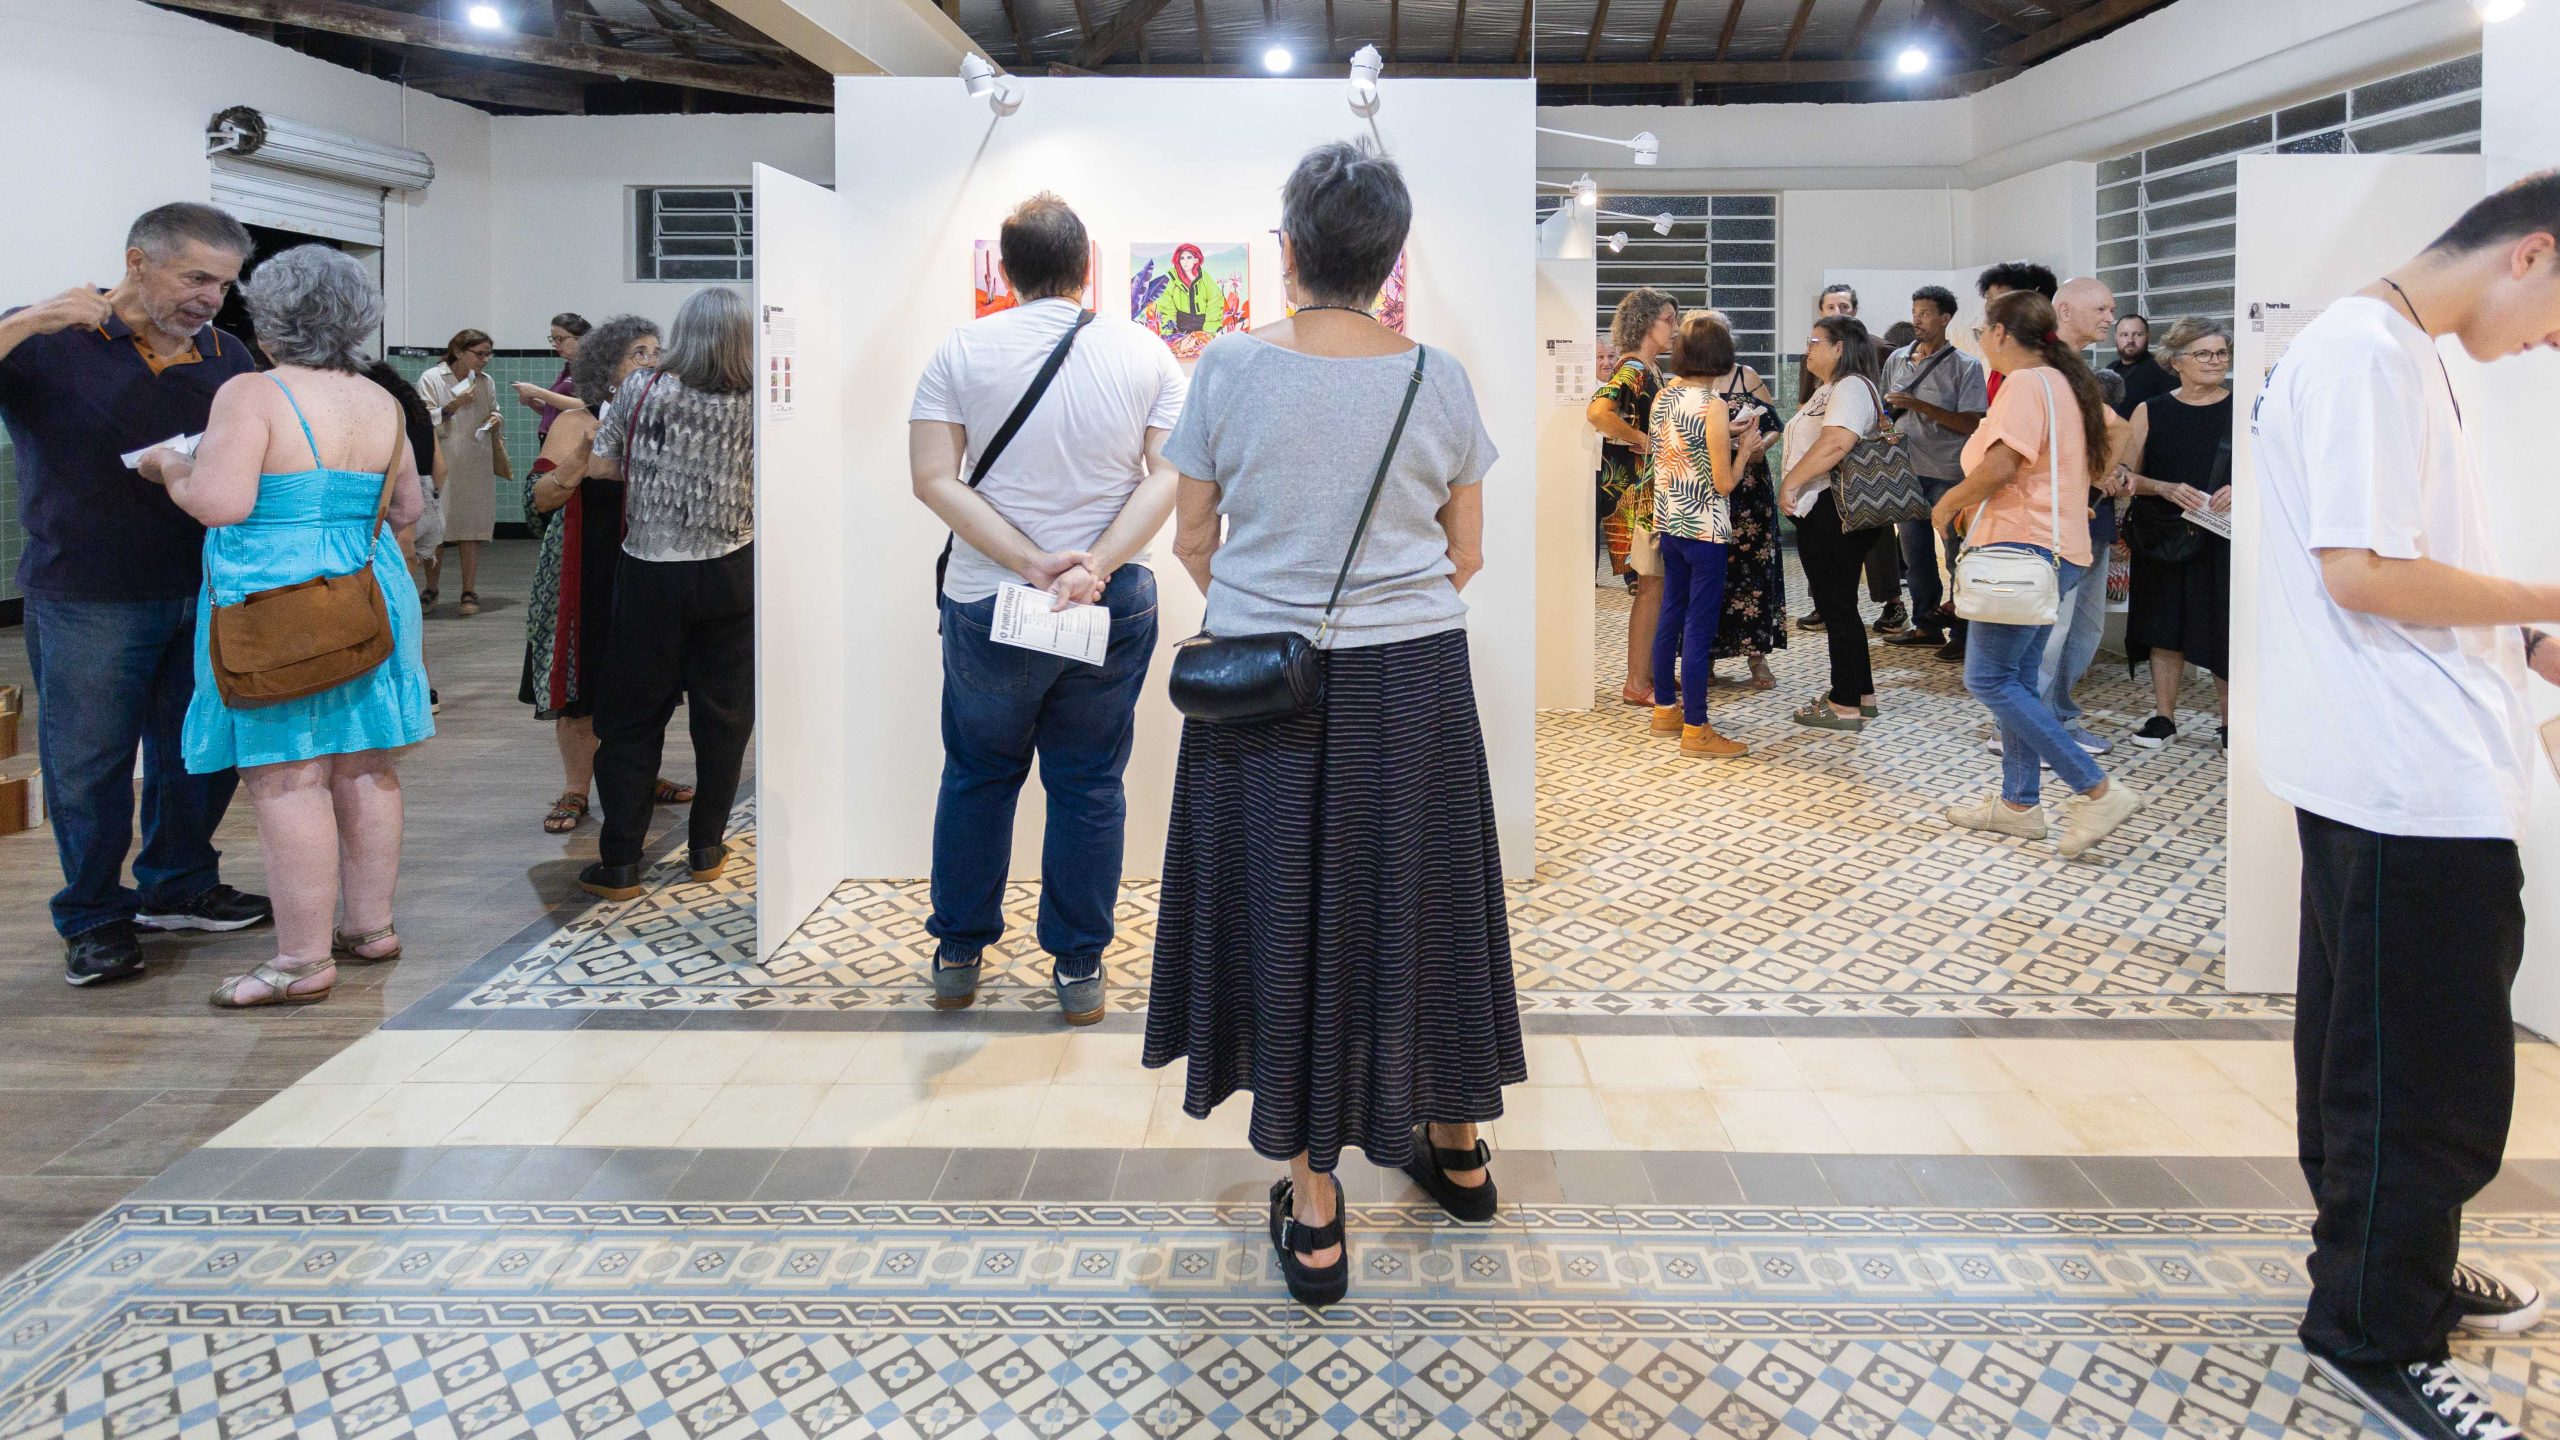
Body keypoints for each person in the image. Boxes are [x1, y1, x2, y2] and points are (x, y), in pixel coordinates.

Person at [1144, 141, 1523, 1312]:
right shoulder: (1438, 378)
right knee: (1424, 899)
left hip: (1268, 686)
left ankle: (1315, 1216)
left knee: (1286, 914)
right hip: (1415, 680)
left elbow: (1191, 538)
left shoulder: (1227, 367)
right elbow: (1466, 552)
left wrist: (1272, 603)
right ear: (1390, 260)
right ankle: (1456, 1149)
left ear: (1289, 251)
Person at [2254, 172, 2560, 1440]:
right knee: (2422, 1086)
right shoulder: (2367, 355)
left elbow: (2405, 565)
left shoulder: (2393, 351)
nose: (2551, 343)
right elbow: (2365, 575)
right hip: (2406, 782)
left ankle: (2390, 1276)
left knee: (2372, 1061)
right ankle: (2376, 1334)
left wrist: (2525, 640)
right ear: (2530, 255)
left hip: (2394, 773)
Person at [909, 193, 1187, 1023]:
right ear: (1086, 265)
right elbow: (1171, 475)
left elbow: (932, 479)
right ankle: (1078, 965)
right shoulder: (1145, 351)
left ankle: (959, 954)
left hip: (987, 598)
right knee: (1088, 782)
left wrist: (1031, 564)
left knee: (978, 775)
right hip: (1110, 599)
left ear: (1006, 269)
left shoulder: (960, 349)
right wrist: (1095, 564)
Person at [147, 245, 432, 1007]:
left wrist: (170, 467)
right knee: (366, 766)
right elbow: (408, 508)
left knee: (286, 774)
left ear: (270, 318)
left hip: (278, 602)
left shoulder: (252, 392)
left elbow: (221, 503)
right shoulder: (381, 399)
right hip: (369, 595)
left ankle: (301, 961)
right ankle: (369, 927)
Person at [0, 202, 274, 987]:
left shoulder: (227, 355)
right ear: (136, 262)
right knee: (89, 764)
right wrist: (32, 318)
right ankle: (93, 915)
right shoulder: (48, 339)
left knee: (202, 752)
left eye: (223, 284)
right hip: (87, 593)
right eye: (195, 278)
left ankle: (179, 884)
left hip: (207, 587)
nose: (210, 298)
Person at [1930, 291, 2142, 859]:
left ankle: (2097, 790)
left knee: (1989, 680)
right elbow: (2116, 434)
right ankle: (2019, 804)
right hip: (2057, 550)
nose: (1981, 341)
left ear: (2001, 333)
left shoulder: (2026, 384)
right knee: (2019, 682)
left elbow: (2003, 465)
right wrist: (2079, 494)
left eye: (1983, 331)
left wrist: (1947, 502)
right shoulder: (2063, 381)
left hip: (2020, 548)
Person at [575, 287, 756, 903]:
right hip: (732, 568)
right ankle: (706, 848)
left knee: (631, 718)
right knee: (724, 715)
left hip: (651, 571)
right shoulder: (758, 397)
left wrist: (662, 475)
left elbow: (601, 468)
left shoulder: (642, 386)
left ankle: (622, 863)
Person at [522, 315, 695, 833]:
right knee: (581, 685)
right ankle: (576, 788)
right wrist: (578, 459)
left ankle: (640, 775)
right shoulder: (576, 421)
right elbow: (537, 503)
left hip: (647, 568)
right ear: (606, 366)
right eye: (639, 353)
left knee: (647, 682)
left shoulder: (667, 420)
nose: (652, 361)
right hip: (583, 570)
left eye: (657, 352)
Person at [1647, 312, 1772, 756]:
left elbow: (1677, 450)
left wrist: (1726, 435)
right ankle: (1696, 728)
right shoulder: (1713, 405)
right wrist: (1745, 450)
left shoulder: (1664, 396)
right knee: (1699, 630)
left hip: (1671, 523)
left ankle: (1665, 709)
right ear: (1720, 354)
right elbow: (1723, 483)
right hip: (1706, 530)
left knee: (1670, 617)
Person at [2033, 277, 2137, 756]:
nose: (2110, 319)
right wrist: (2098, 473)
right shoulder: (2038, 368)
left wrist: (2113, 472)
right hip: (2051, 521)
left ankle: (2058, 717)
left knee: (2084, 629)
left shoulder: (2075, 368)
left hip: (2090, 518)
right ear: (2066, 310)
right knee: (2050, 630)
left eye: (2112, 309)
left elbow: (2101, 440)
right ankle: (2025, 728)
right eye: (2101, 309)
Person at [2121, 316, 2234, 751]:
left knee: (2223, 626)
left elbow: (2276, 468)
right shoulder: (2151, 410)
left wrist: (2244, 487)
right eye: (2203, 353)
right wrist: (2164, 488)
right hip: (2164, 534)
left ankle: (2230, 725)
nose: (2215, 361)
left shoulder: (2244, 407)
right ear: (2176, 360)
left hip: (2224, 537)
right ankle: (2163, 717)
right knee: (2163, 624)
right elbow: (2125, 476)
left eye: (2221, 353)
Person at [1777, 315, 1888, 733]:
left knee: (1836, 605)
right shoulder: (1832, 388)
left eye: (1815, 341)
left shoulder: (1851, 386)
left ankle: (1843, 704)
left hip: (1834, 508)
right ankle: (1861, 693)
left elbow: (1837, 442)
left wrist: (1792, 480)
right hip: (1826, 508)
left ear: (1839, 347)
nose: (1808, 348)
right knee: (1840, 604)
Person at [1880, 286, 1988, 659]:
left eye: (1925, 313)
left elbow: (1970, 423)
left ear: (1945, 319)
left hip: (1948, 473)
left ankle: (1963, 631)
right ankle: (1926, 625)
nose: (1917, 320)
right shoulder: (1897, 360)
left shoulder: (1966, 366)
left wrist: (1919, 405)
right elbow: (1884, 411)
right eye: (1915, 312)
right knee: (1915, 557)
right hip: (1905, 472)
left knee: (1957, 553)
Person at [1796, 284, 1905, 634]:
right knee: (1835, 580)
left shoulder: (1874, 354)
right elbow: (1804, 401)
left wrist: (1792, 480)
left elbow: (1850, 430)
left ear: (1854, 310)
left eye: (1843, 306)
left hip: (1858, 472)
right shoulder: (1814, 357)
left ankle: (1891, 602)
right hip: (1827, 480)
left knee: (1874, 536)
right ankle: (1824, 604)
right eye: (1831, 307)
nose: (1837, 312)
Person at [1587, 288, 1677, 704]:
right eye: (1668, 320)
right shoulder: (1635, 368)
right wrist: (1640, 438)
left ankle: (1648, 674)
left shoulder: (1649, 368)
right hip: (1634, 498)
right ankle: (1637, 682)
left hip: (1645, 494)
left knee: (1655, 586)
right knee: (1650, 587)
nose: (1674, 328)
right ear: (1645, 323)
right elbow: (1598, 413)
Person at [1688, 311, 1785, 690]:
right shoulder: (1690, 383)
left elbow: (1774, 424)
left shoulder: (1747, 376)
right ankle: (1706, 657)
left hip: (1750, 487)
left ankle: (1757, 657)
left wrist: (1760, 446)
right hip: (1709, 485)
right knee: (1710, 575)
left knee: (1755, 571)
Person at [362, 357, 443, 716]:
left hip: (396, 514)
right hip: (428, 502)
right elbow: (441, 467)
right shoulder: (416, 412)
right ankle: (422, 686)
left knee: (387, 609)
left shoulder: (377, 416)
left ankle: (407, 689)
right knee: (405, 607)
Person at [415, 328, 501, 615]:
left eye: (488, 354)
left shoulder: (485, 381)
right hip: (443, 459)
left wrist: (495, 417)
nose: (484, 360)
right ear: (458, 352)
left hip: (475, 460)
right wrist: (452, 406)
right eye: (479, 354)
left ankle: (469, 590)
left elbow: (494, 408)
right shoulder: (432, 378)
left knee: (471, 528)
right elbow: (422, 419)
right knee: (437, 528)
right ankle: (431, 588)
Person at [513, 312, 591, 441]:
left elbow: (587, 407)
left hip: (570, 440)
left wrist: (539, 392)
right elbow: (560, 411)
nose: (554, 344)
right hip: (552, 438)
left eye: (560, 339)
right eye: (553, 339)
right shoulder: (569, 368)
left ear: (581, 339)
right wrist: (534, 402)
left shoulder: (591, 368)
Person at [2108, 312, 2175, 416]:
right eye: (2124, 335)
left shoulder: (2163, 368)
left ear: (2148, 336)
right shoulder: (2110, 370)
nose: (2130, 340)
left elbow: (2173, 412)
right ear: (2116, 337)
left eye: (2138, 334)